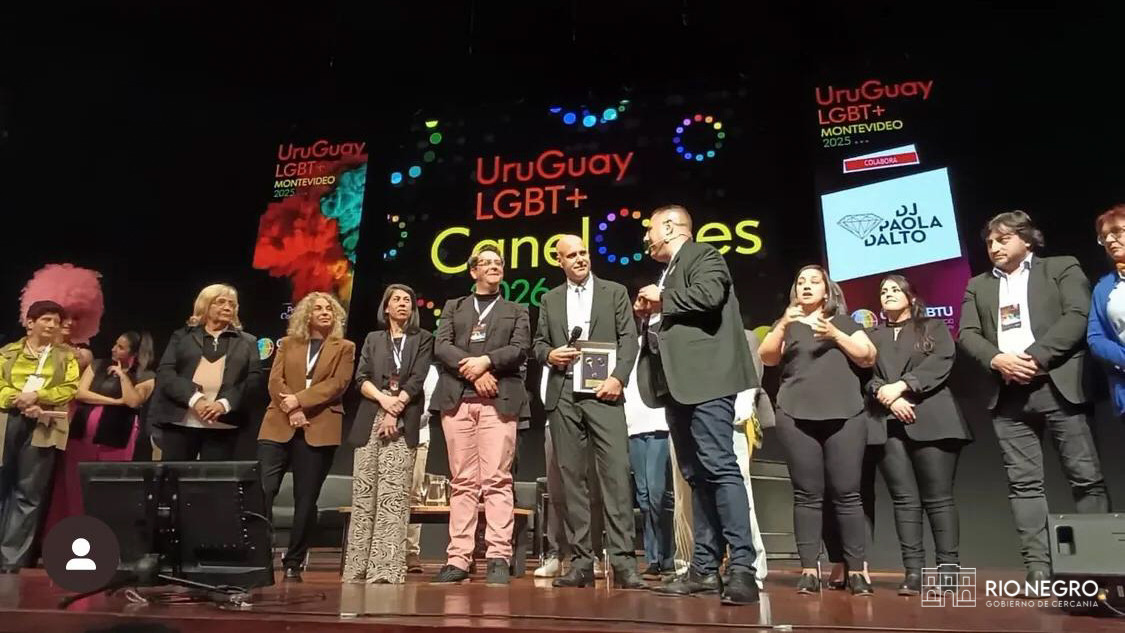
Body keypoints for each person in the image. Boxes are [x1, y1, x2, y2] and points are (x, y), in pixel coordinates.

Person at [959, 211, 1108, 583]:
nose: (994, 247)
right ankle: (1038, 570)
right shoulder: (978, 285)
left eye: (1003, 239)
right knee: (1023, 485)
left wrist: (1035, 357)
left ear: (1027, 239)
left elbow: (1078, 314)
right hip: (1008, 395)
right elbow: (967, 333)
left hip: (1058, 387)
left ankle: (1099, 570)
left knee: (1085, 478)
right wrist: (998, 359)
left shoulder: (1060, 267)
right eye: (989, 242)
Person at [634, 204, 760, 606]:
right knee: (697, 475)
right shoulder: (668, 271)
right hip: (679, 387)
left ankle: (742, 568)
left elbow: (710, 295)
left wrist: (662, 298)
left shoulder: (704, 254)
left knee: (720, 467)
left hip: (707, 381)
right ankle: (704, 568)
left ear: (671, 228)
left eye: (651, 229)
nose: (646, 237)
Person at [532, 235, 644, 589]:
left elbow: (629, 339)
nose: (580, 259)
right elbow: (538, 343)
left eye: (584, 253)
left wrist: (618, 378)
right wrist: (550, 355)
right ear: (560, 261)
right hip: (563, 392)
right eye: (572, 255)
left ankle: (624, 563)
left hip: (604, 391)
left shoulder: (614, 292)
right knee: (571, 479)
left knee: (616, 475)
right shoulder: (550, 299)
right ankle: (581, 561)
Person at [759, 265, 877, 595]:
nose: (807, 287)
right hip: (796, 415)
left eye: (814, 282)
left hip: (845, 415)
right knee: (807, 495)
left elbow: (868, 357)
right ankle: (810, 570)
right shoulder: (787, 324)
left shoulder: (843, 322)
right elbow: (767, 357)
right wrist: (784, 323)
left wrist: (835, 335)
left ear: (827, 291)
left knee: (847, 494)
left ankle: (856, 571)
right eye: (801, 282)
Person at [866, 275, 972, 595]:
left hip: (934, 420)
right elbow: (864, 375)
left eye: (895, 289)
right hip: (888, 421)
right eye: (883, 291)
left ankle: (948, 572)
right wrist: (888, 396)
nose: (888, 294)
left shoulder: (933, 327)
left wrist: (903, 386)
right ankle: (914, 572)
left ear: (911, 296)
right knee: (904, 501)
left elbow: (942, 362)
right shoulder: (872, 336)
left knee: (938, 500)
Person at [430, 246, 530, 586]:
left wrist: (486, 363)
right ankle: (458, 558)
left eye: (498, 262)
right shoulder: (454, 307)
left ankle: (498, 556)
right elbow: (442, 346)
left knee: (497, 480)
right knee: (462, 482)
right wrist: (474, 373)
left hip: (499, 401)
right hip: (457, 401)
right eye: (486, 263)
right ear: (473, 271)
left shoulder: (517, 310)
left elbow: (519, 349)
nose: (493, 267)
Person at [259, 292, 355, 583]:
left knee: (306, 498)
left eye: (329, 309)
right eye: (318, 309)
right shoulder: (288, 344)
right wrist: (291, 409)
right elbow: (275, 381)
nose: (325, 312)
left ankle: (293, 562)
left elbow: (337, 384)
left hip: (319, 426)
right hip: (278, 423)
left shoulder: (345, 347)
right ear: (306, 315)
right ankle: (259, 554)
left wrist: (299, 401)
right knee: (264, 489)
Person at [344, 284, 433, 584]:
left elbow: (417, 378)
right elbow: (361, 378)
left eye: (408, 300)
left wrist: (395, 410)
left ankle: (385, 569)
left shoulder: (423, 339)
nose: (403, 304)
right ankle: (358, 567)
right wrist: (384, 401)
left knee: (393, 496)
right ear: (386, 307)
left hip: (403, 418)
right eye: (397, 300)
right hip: (371, 417)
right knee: (365, 494)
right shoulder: (373, 338)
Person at [44, 331, 156, 536]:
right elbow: (80, 393)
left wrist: (123, 376)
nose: (114, 349)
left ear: (134, 353)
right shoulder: (98, 365)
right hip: (82, 434)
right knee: (74, 485)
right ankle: (71, 532)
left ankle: (101, 534)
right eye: (115, 344)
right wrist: (114, 401)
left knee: (106, 488)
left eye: (121, 347)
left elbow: (133, 401)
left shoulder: (146, 376)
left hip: (116, 437)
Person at [0, 300, 80, 571]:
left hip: (43, 423)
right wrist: (17, 399)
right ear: (30, 323)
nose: (52, 325)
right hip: (6, 420)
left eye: (56, 321)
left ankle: (11, 561)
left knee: (28, 492)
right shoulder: (7, 353)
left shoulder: (65, 357)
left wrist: (38, 396)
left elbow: (69, 388)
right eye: (46, 319)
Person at [148, 284, 263, 461]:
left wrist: (224, 404)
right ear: (205, 305)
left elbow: (253, 379)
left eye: (232, 304)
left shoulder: (248, 342)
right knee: (175, 475)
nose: (228, 307)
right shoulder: (182, 337)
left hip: (223, 424)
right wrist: (195, 400)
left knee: (213, 477)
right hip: (181, 421)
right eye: (221, 302)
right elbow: (166, 372)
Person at [623, 334, 674, 580]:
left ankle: (668, 555)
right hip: (633, 427)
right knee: (643, 496)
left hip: (659, 425)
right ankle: (653, 558)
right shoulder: (628, 347)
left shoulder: (659, 342)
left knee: (657, 493)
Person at [1088, 204, 1125, 419]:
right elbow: (1096, 338)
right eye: (1104, 237)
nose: (1110, 240)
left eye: (1116, 232)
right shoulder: (1104, 288)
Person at [405, 363, 439, 573]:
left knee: (413, 494)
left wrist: (404, 424)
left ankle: (410, 551)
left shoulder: (429, 370)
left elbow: (429, 407)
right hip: (386, 433)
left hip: (418, 436)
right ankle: (387, 547)